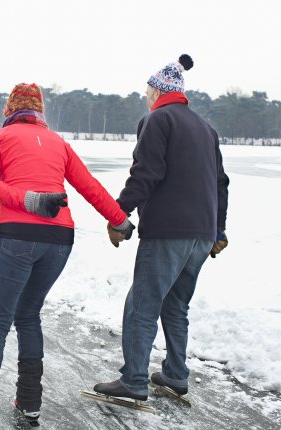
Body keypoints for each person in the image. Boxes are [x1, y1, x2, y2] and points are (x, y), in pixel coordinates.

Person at [0, 83, 134, 430]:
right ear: (40, 112)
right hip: (59, 239)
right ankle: (30, 405)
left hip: (17, 236)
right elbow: (89, 185)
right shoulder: (59, 143)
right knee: (28, 315)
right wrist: (119, 219)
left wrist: (27, 200)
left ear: (10, 110)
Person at [93, 55, 230, 401]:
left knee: (143, 303)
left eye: (146, 91)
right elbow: (221, 183)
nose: (145, 97)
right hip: (202, 234)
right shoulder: (205, 127)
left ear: (156, 91)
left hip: (169, 231)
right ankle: (176, 375)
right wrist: (219, 230)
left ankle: (134, 381)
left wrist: (117, 214)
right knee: (175, 305)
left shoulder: (157, 120)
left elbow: (145, 174)